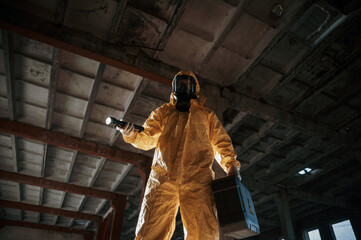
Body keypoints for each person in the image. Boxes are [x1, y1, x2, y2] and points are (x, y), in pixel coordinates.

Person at [118, 70, 240, 240]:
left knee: (202, 232)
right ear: (173, 88)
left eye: (187, 84)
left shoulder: (206, 115)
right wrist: (132, 135)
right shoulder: (164, 112)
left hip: (198, 179)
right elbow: (147, 137)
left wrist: (231, 165)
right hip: (163, 178)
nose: (183, 88)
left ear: (195, 88)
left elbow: (222, 143)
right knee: (151, 229)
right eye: (179, 84)